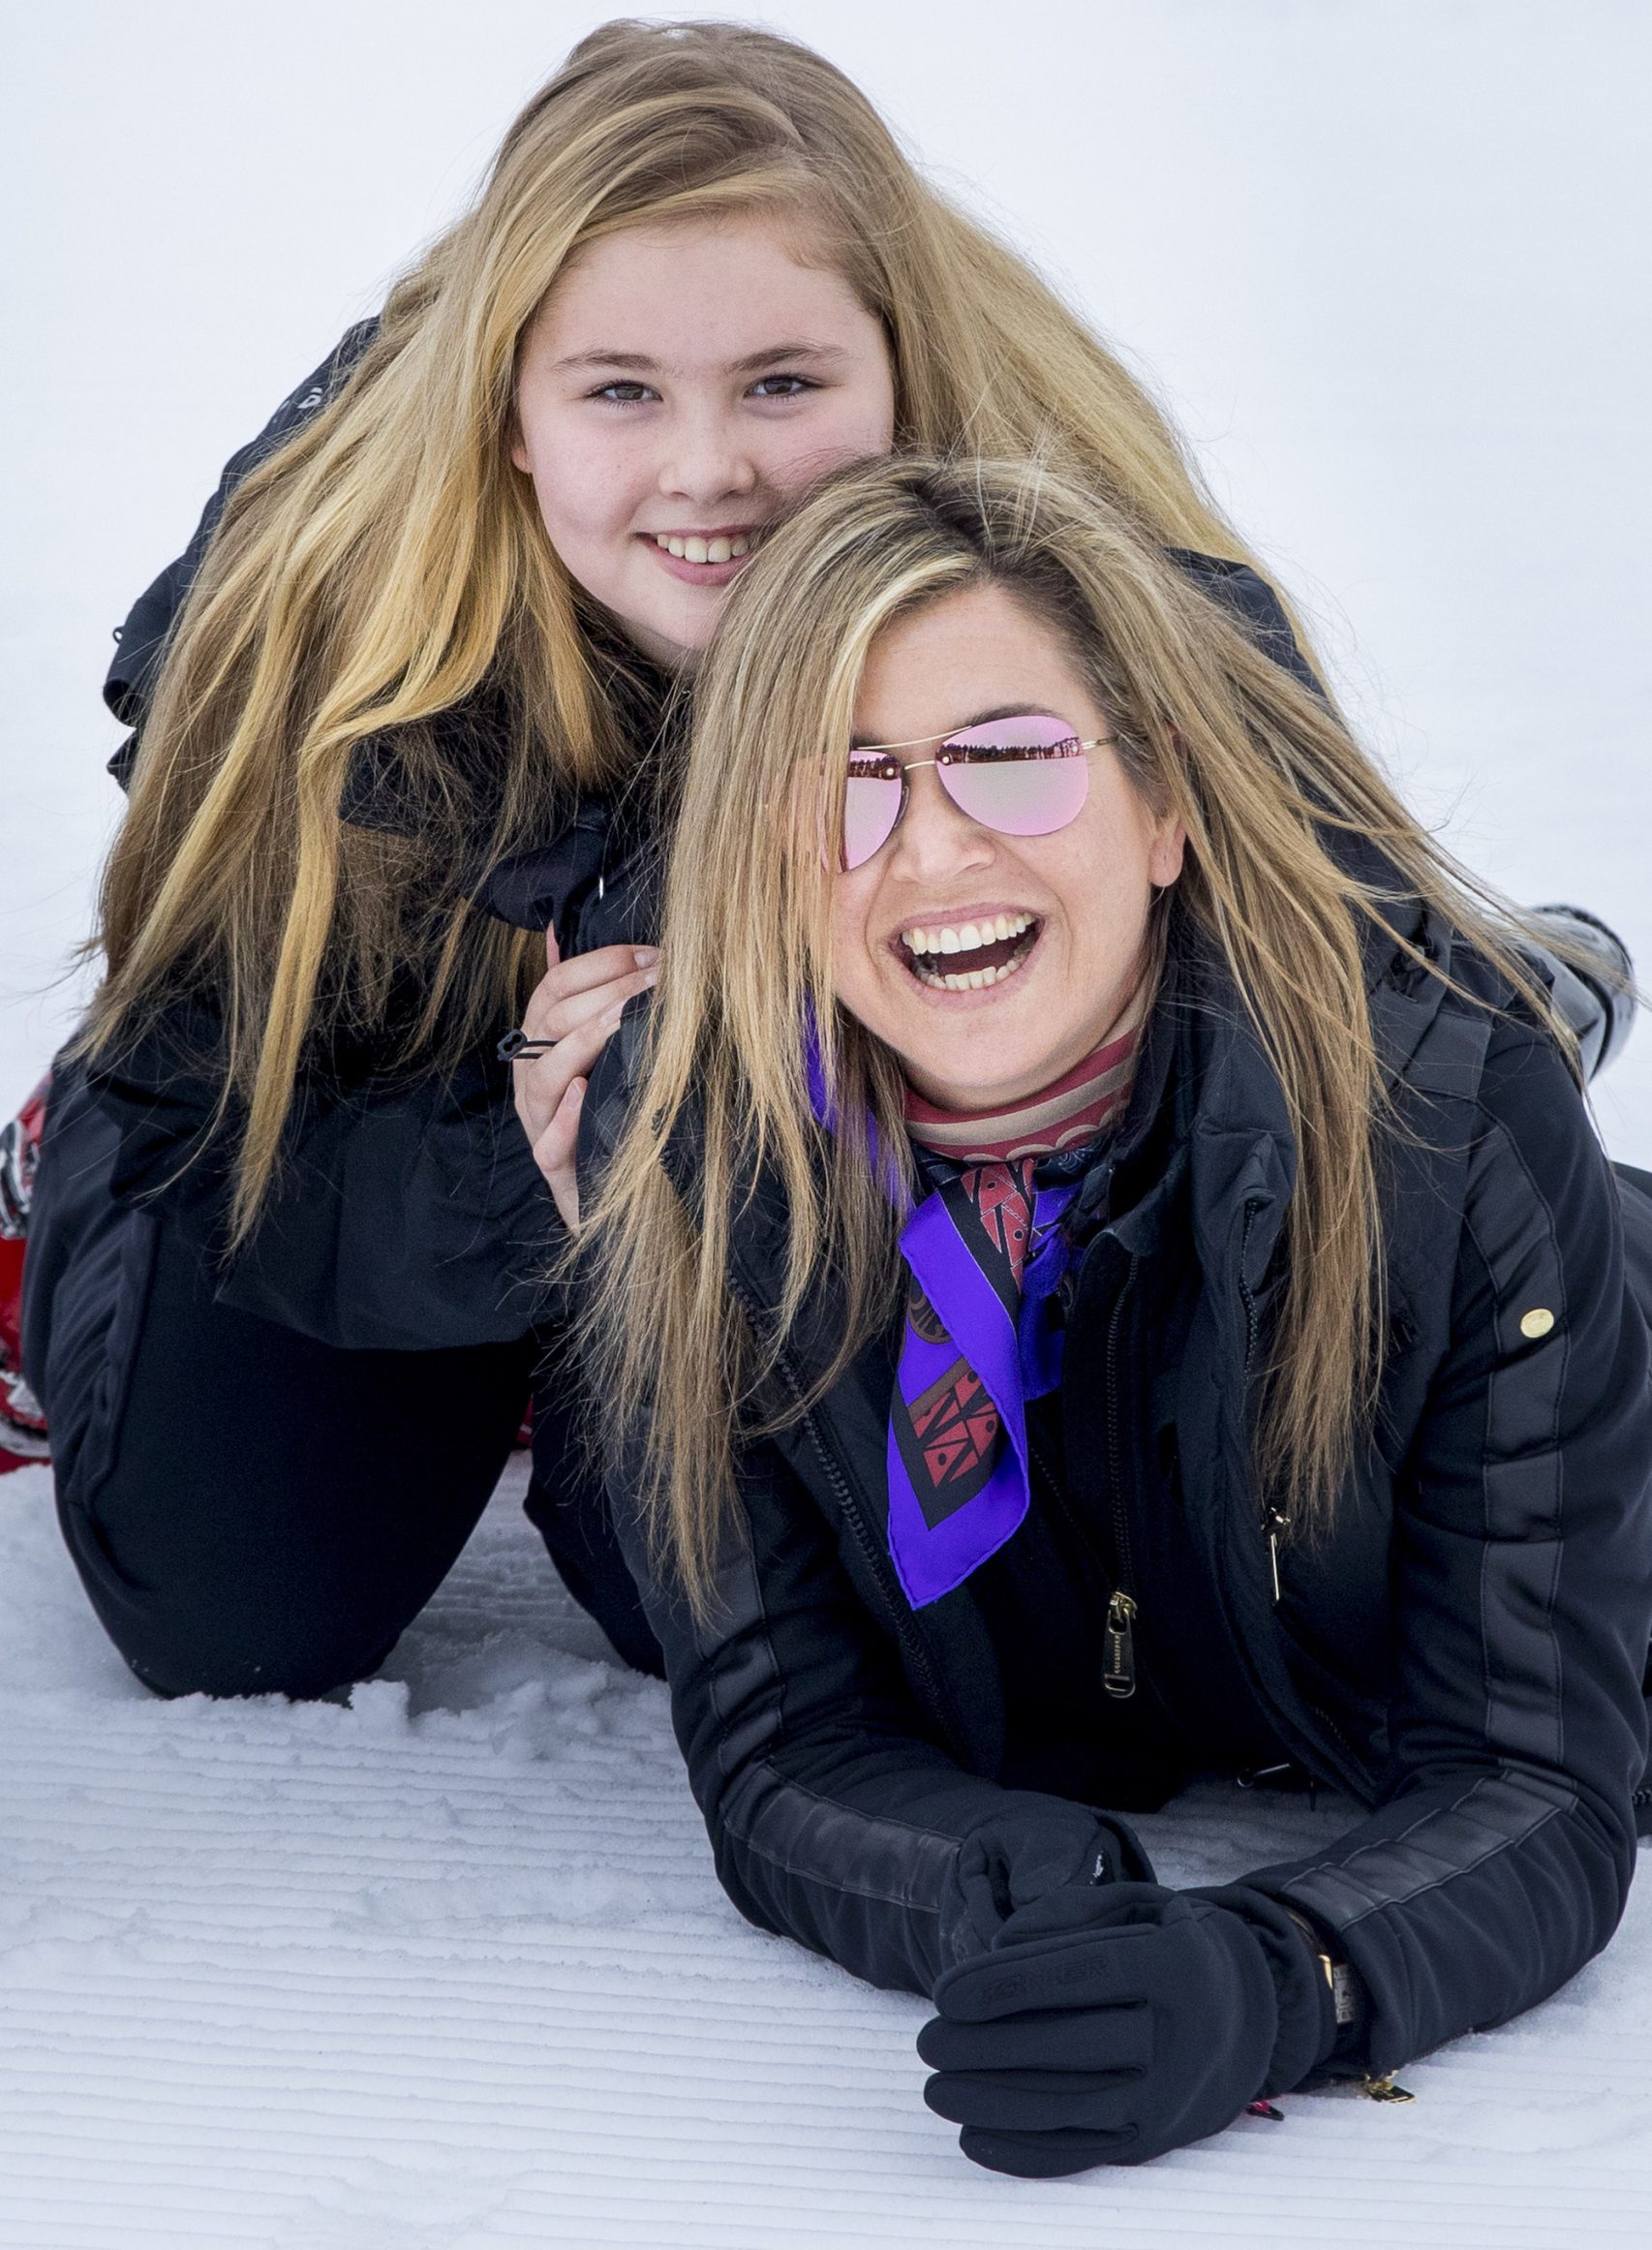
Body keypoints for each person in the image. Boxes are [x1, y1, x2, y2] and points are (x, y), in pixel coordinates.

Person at [20, 16, 1305, 1702]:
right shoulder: (335, 646)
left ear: (905, 374)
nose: (712, 472)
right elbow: (229, 1125)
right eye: (621, 392)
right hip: (375, 1118)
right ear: (509, 419)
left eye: (783, 384)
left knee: (738, 1605)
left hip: (817, 1145)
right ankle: (50, 1184)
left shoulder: (1077, 562)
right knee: (234, 1611)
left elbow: (1304, 971)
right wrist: (546, 1180)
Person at [545, 454, 1652, 2175]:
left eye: (1011, 758)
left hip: (1583, 1342)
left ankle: (1508, 973)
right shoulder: (701, 1138)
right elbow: (784, 1744)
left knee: (1434, 1064)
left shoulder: (1453, 1117)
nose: (927, 848)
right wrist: (1009, 1895)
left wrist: (1283, 1972)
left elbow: (1535, 1779)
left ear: (1162, 806)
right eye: (839, 781)